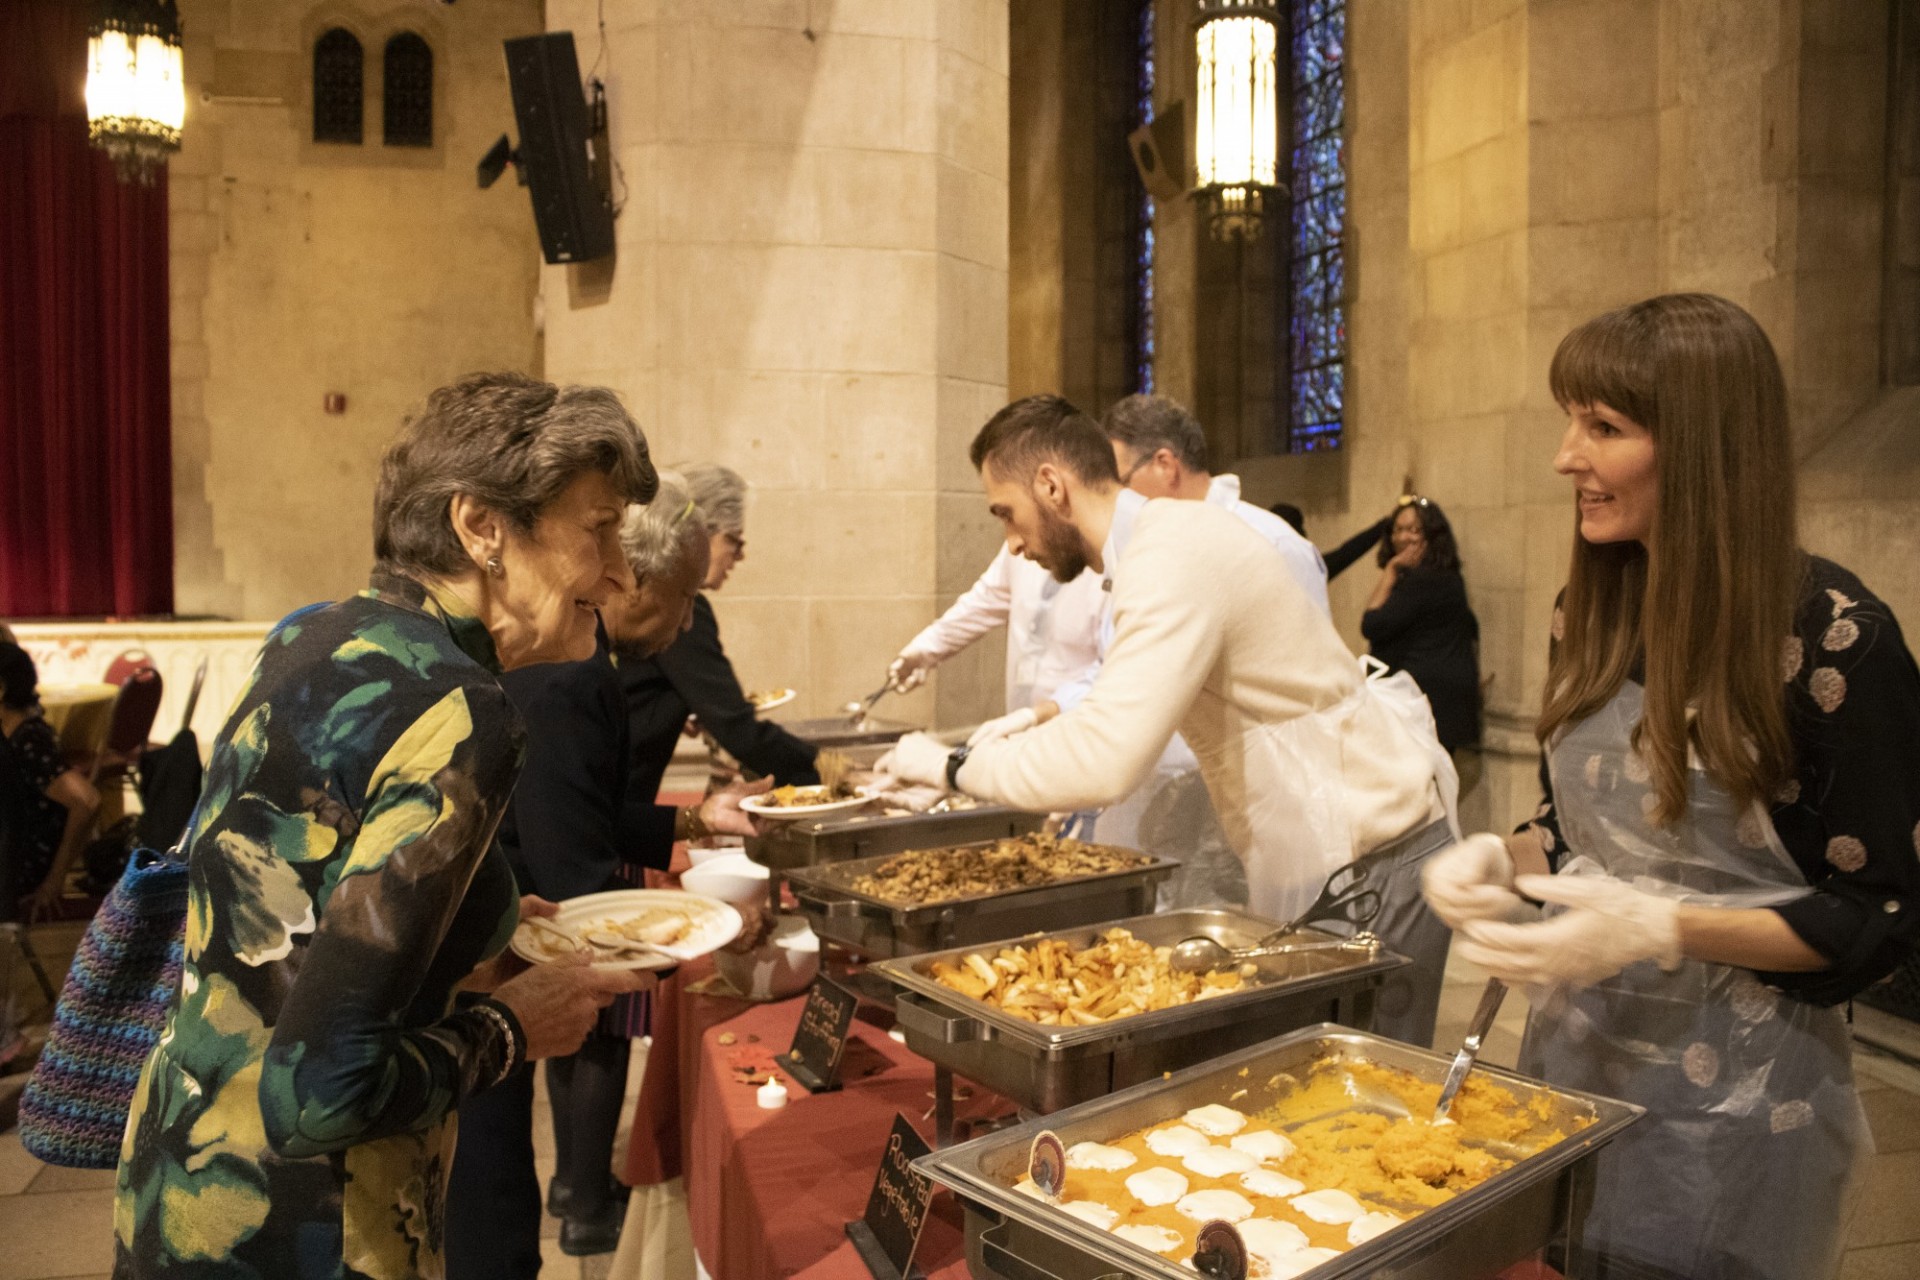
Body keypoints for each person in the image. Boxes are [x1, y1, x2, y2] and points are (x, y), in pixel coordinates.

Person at [113, 373, 667, 1280]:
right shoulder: (463, 713)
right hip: (304, 1229)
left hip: (176, 1182)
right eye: (598, 528)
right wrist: (513, 1027)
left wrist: (474, 933)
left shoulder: (312, 634)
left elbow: (300, 916)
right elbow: (322, 1094)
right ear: (482, 527)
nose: (622, 574)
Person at [1422, 294, 1920, 1280]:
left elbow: (1877, 917)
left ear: (1700, 446)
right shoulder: (1589, 610)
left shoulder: (1837, 639)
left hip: (1740, 1117)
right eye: (1572, 420)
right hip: (1572, 1079)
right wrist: (1499, 857)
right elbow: (1583, 835)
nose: (1568, 455)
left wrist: (1666, 927)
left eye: (1602, 427)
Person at [886, 395, 1457, 1044]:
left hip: (1375, 856)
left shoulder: (1169, 553)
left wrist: (952, 766)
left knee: (1367, 1108)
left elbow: (1108, 760)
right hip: (1333, 849)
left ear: (1051, 485)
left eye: (1006, 514)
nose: (1012, 544)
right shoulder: (1157, 548)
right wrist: (1031, 723)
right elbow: (1120, 698)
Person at [444, 474, 761, 1270]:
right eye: (603, 537)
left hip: (499, 929)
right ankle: (578, 1207)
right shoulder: (568, 669)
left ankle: (571, 1203)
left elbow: (585, 804)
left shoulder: (584, 661)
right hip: (485, 945)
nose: (687, 621)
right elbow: (574, 872)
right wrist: (699, 936)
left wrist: (693, 821)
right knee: (490, 1190)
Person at [648, 462, 818, 789]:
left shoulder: (670, 598)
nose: (739, 556)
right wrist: (829, 767)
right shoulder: (677, 601)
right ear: (699, 530)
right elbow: (736, 728)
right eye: (735, 540)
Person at [885, 543, 1104, 717]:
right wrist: (924, 649)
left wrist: (1051, 710)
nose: (1013, 543)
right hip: (1021, 731)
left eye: (1008, 515)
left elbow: (1114, 671)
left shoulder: (1114, 558)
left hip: (1078, 734)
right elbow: (985, 601)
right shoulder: (1020, 545)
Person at [1357, 498, 1481, 754]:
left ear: (1431, 536)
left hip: (1425, 703)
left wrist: (1390, 571)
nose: (1404, 537)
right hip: (1436, 703)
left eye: (1414, 530)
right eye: (1398, 529)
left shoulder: (1423, 581)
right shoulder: (1445, 577)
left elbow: (1371, 624)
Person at [0, 640, 100, 921]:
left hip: (20, 869)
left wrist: (54, 881)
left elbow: (87, 801)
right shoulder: (16, 733)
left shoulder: (29, 740)